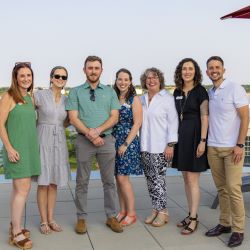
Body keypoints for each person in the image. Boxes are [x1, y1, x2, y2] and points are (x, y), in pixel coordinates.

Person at [66, 55, 123, 233]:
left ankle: (111, 217)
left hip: (106, 141)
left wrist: (98, 131)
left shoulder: (109, 91)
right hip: (84, 141)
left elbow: (115, 116)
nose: (93, 71)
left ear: (101, 70)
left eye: (96, 68)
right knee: (82, 182)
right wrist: (91, 135)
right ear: (84, 70)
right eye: (90, 68)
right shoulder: (75, 91)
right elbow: (73, 118)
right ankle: (81, 218)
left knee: (109, 182)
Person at [205, 56, 249, 248]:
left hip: (232, 149)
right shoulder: (210, 92)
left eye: (217, 67)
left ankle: (238, 230)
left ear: (224, 69)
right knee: (222, 188)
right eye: (211, 68)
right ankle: (225, 224)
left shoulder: (235, 88)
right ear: (207, 72)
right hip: (213, 147)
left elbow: (245, 118)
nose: (214, 70)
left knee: (233, 189)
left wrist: (240, 145)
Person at [0, 62, 41, 249]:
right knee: (22, 190)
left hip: (29, 149)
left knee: (20, 190)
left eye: (29, 75)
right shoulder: (8, 96)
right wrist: (8, 148)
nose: (26, 78)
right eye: (22, 75)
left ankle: (14, 225)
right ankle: (16, 233)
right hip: (16, 150)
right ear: (15, 78)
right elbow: (0, 124)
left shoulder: (29, 97)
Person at [172, 58, 209, 235]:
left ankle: (194, 219)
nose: (187, 71)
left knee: (193, 180)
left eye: (190, 69)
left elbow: (205, 117)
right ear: (180, 71)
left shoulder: (200, 91)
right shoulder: (177, 92)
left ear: (196, 72)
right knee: (186, 179)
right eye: (184, 69)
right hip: (182, 138)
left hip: (195, 137)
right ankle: (190, 214)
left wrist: (202, 141)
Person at [34, 66, 70, 234]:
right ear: (51, 77)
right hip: (42, 139)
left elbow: (69, 119)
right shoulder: (39, 95)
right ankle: (43, 221)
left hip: (59, 140)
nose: (60, 79)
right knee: (43, 182)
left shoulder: (67, 100)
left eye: (63, 77)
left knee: (53, 182)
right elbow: (26, 112)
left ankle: (51, 218)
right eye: (57, 76)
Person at [140, 67, 178, 227]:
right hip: (145, 146)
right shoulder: (141, 99)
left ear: (160, 80)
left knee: (158, 180)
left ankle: (163, 212)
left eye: (154, 77)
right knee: (150, 180)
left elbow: (173, 122)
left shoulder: (167, 98)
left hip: (161, 146)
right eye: (148, 78)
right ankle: (155, 209)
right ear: (144, 81)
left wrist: (170, 145)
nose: (151, 80)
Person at [112, 68, 143, 227]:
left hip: (127, 142)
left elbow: (137, 123)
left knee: (123, 178)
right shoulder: (113, 97)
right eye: (120, 79)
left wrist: (125, 144)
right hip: (114, 140)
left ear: (130, 81)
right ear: (116, 80)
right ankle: (122, 211)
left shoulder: (134, 99)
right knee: (118, 178)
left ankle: (131, 213)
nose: (122, 82)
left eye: (126, 79)